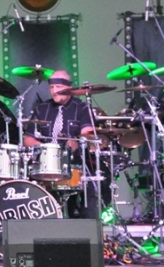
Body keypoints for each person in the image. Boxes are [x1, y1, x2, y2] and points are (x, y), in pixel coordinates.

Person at [23, 69, 107, 219]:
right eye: (51, 87)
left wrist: (76, 140)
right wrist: (44, 149)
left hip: (74, 163)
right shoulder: (42, 109)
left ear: (69, 87)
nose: (54, 91)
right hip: (45, 164)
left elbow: (88, 134)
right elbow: (28, 139)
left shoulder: (81, 108)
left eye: (59, 87)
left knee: (94, 185)